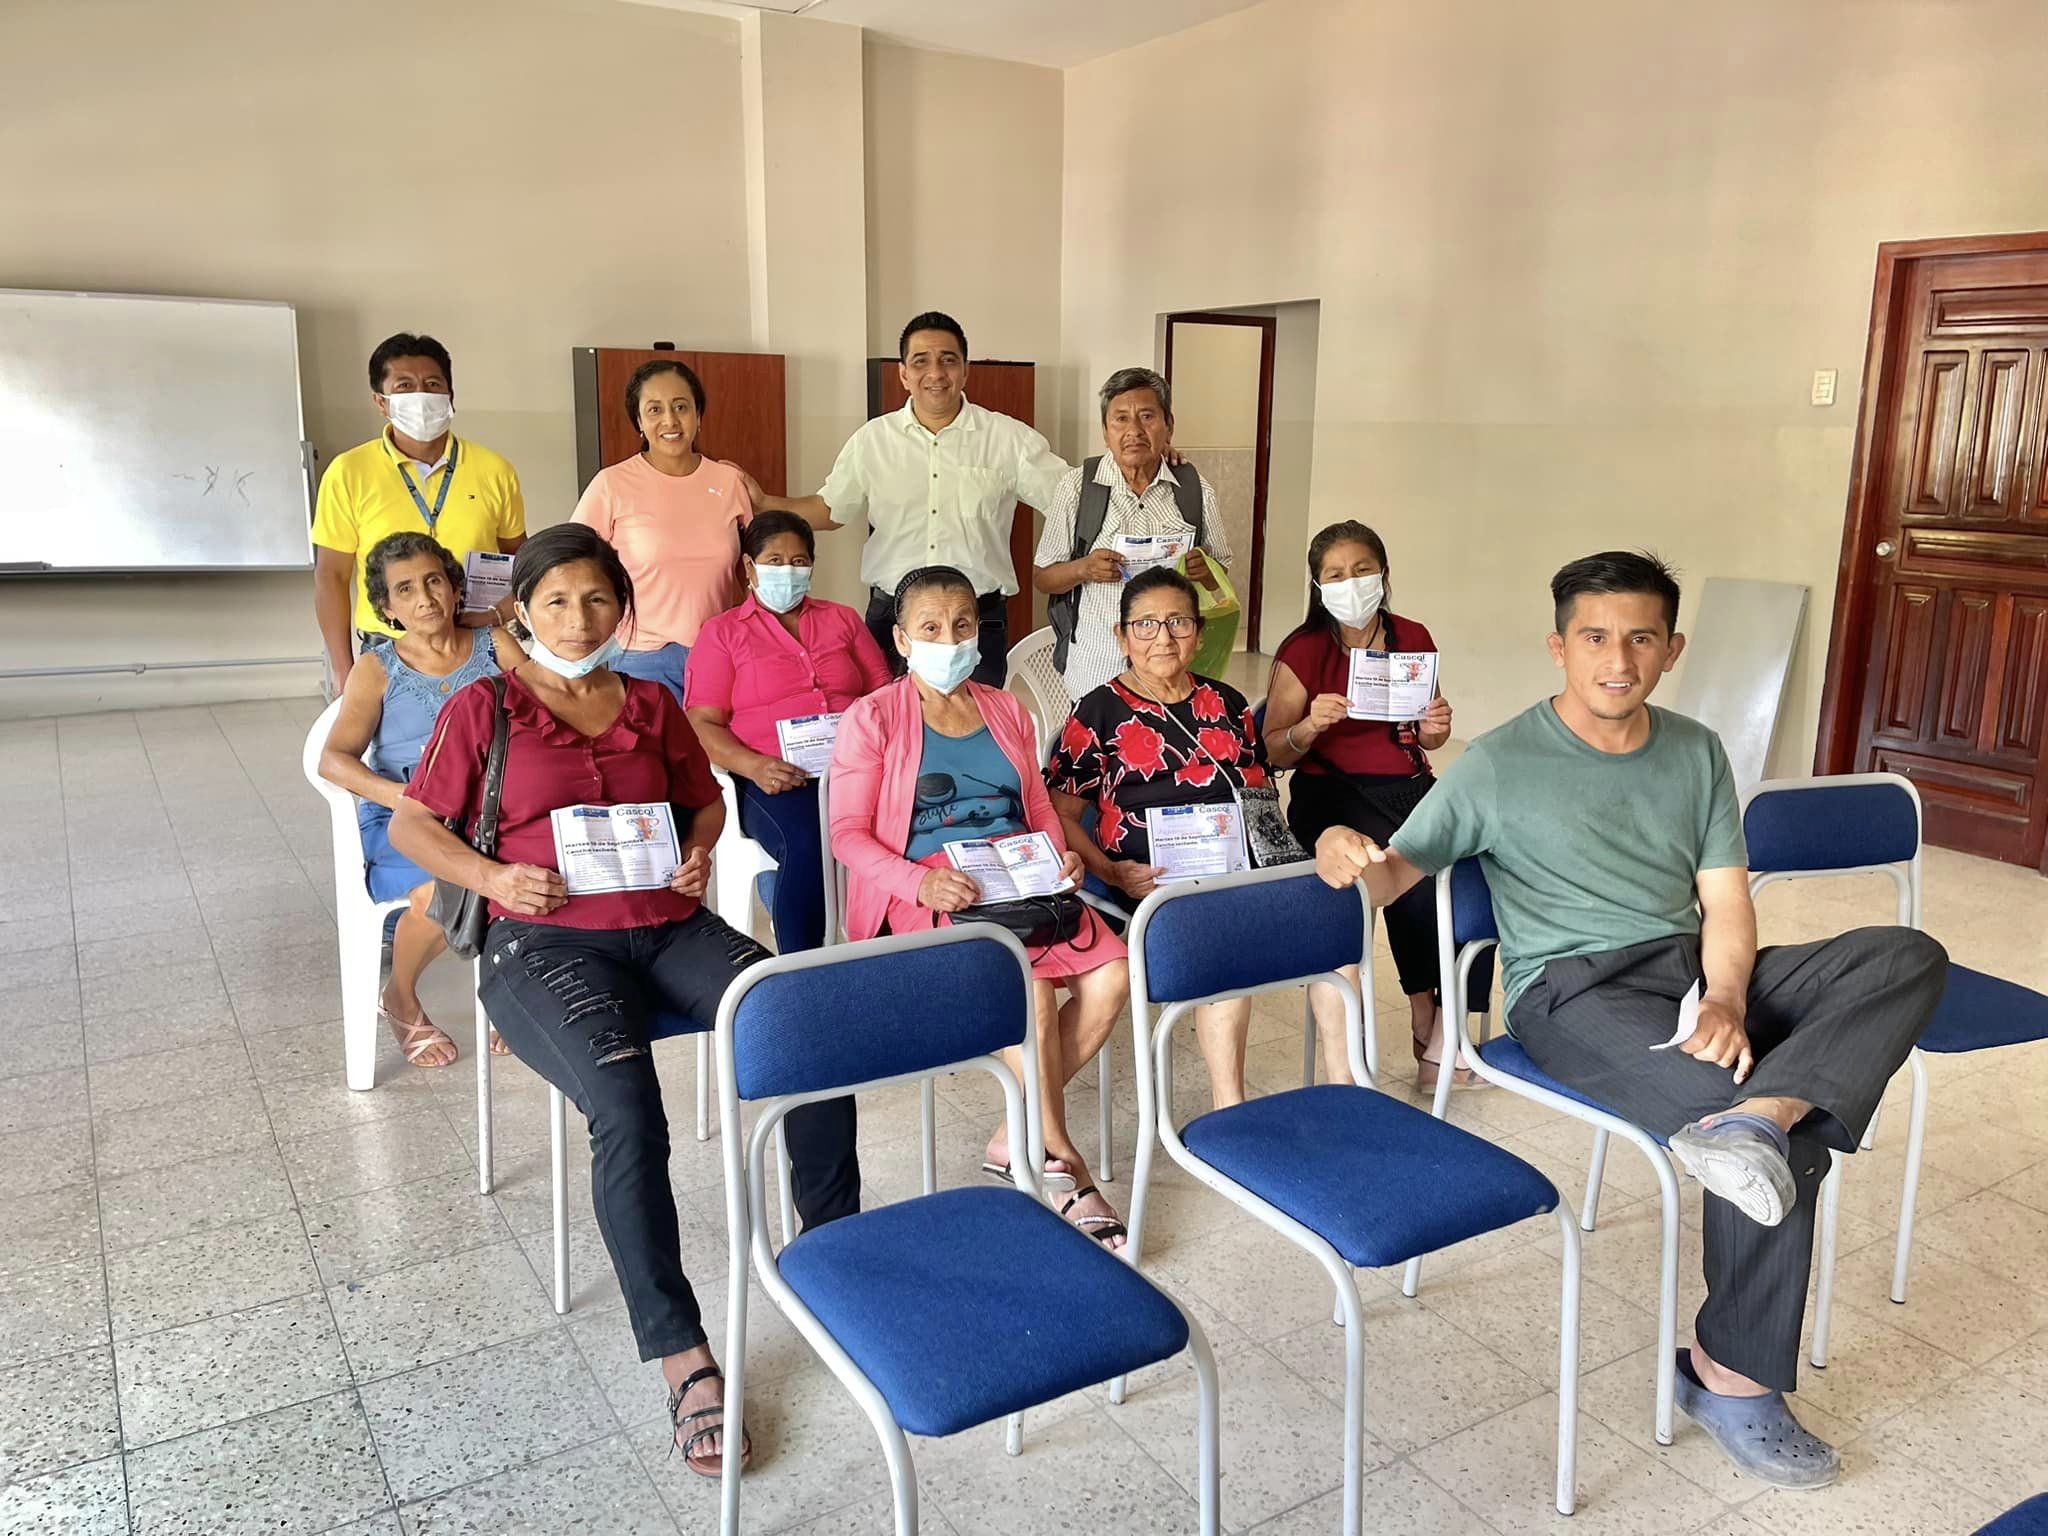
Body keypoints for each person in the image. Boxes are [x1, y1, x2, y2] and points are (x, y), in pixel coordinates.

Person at [1313, 550, 1945, 1491]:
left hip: (1690, 973)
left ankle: (1758, 1115)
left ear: (1672, 649)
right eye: (1596, 637)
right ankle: (1731, 1378)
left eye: (1642, 638)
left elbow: (1725, 903)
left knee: (1904, 957)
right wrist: (1339, 847)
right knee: (1788, 1140)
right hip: (1569, 994)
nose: (1619, 660)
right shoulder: (1500, 762)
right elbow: (1394, 872)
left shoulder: (1695, 751)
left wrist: (1726, 997)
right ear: (1559, 646)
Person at [389, 523, 859, 1478]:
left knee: (810, 1027)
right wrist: (493, 877)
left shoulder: (650, 701)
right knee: (628, 1109)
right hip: (543, 939)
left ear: (622, 608)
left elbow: (704, 801)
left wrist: (698, 851)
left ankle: (836, 1256)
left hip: (668, 922)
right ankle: (683, 1353)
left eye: (598, 599)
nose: (579, 619)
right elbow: (412, 827)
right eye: (557, 601)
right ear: (523, 610)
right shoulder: (485, 707)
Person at [828, 565, 1132, 1247]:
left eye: (962, 625)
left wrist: (1061, 856)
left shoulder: (1005, 709)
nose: (949, 639)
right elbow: (847, 834)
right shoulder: (872, 718)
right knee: (1031, 993)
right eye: (931, 628)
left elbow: (1036, 807)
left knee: (1115, 975)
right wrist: (918, 882)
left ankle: (1011, 1134)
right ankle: (1062, 1163)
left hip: (1020, 878)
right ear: (901, 640)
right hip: (932, 888)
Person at [1045, 568, 1287, 1109]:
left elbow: (1258, 795)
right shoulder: (1098, 711)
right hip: (1147, 878)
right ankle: (1231, 1110)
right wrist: (1111, 872)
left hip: (1230, 870)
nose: (1163, 637)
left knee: (1331, 906)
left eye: (1178, 622)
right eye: (1146, 624)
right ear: (1122, 635)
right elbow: (1060, 813)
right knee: (1217, 935)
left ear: (1199, 633)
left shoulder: (1228, 703)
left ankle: (1332, 1084)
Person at [739, 312, 1068, 685]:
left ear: (965, 370)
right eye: (921, 361)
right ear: (903, 374)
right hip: (891, 618)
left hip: (975, 620)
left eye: (948, 360)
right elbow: (830, 509)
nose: (936, 373)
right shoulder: (873, 440)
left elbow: (1068, 499)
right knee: (887, 717)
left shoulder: (1009, 439)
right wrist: (764, 503)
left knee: (974, 717)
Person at [1263, 521, 1468, 1091]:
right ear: (1317, 585)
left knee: (1470, 868)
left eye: (1361, 571)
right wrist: (1309, 726)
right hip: (1329, 793)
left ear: (1383, 574)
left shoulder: (1412, 636)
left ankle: (1442, 1024)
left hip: (1406, 787)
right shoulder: (1304, 650)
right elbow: (1271, 750)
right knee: (1411, 873)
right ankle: (1426, 1018)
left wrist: (1435, 730)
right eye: (1334, 575)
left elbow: (1425, 736)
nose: (1350, 584)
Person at [317, 532, 521, 1066]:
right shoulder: (376, 668)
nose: (425, 598)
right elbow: (334, 760)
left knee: (537, 867)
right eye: (404, 590)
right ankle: (400, 996)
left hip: (490, 811)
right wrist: (408, 796)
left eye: (434, 581)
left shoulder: (496, 646)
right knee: (442, 888)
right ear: (387, 608)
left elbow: (540, 717)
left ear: (455, 589)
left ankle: (511, 994)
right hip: (404, 817)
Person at [683, 511, 892, 953]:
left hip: (855, 770)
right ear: (748, 567)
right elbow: (701, 723)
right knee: (808, 841)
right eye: (774, 561)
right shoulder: (722, 633)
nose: (788, 570)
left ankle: (885, 950)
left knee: (903, 826)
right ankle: (803, 965)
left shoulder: (842, 619)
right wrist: (754, 766)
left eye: (799, 561)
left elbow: (884, 696)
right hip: (774, 779)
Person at [572, 359, 799, 705]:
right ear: (639, 421)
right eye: (654, 409)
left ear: (698, 415)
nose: (670, 421)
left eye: (681, 407)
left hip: (719, 653)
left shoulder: (728, 481)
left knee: (717, 742)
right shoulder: (611, 484)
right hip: (641, 657)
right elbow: (572, 563)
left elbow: (750, 567)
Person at [312, 333, 526, 693]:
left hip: (477, 643)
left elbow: (522, 561)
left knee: (488, 729)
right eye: (405, 386)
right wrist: (343, 668)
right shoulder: (348, 472)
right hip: (388, 649)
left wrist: (498, 615)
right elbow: (331, 576)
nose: (421, 396)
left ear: (450, 395)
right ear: (381, 402)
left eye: (432, 384)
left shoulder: (494, 470)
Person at [1033, 366, 1233, 701]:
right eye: (1121, 419)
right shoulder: (1078, 487)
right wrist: (1084, 569)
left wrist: (1206, 570)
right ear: (1105, 431)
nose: (1134, 431)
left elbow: (1220, 572)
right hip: (1098, 666)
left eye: (1147, 417)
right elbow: (1042, 577)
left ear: (1169, 425)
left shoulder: (1193, 488)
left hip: (1171, 666)